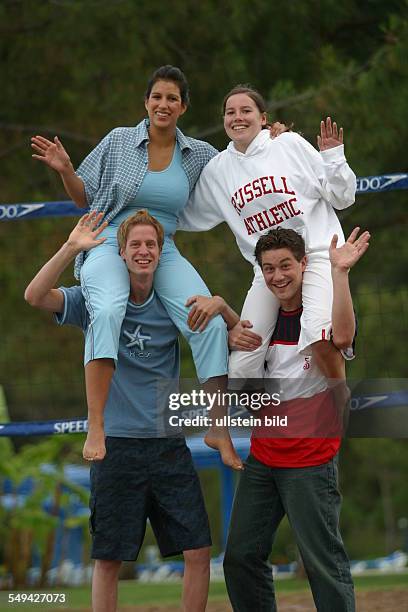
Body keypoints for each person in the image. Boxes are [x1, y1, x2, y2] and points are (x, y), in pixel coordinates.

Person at [31, 66, 267, 469]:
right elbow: (82, 198)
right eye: (157, 96)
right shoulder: (119, 140)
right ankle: (97, 423)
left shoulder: (198, 154)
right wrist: (66, 170)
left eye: (172, 98)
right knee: (106, 310)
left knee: (207, 320)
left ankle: (218, 429)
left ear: (183, 107)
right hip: (108, 238)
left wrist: (270, 134)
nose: (163, 104)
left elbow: (242, 155)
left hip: (162, 244)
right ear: (146, 102)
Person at [24, 210, 240, 612]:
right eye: (136, 245)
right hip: (116, 446)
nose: (144, 251)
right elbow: (34, 296)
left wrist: (223, 308)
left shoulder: (177, 304)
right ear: (120, 253)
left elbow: (233, 338)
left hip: (168, 445)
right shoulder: (96, 301)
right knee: (109, 558)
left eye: (151, 244)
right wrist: (70, 247)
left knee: (198, 550)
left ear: (161, 253)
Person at [221, 226, 370, 612]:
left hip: (309, 459)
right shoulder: (263, 320)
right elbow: (245, 372)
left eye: (285, 265)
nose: (278, 276)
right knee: (239, 557)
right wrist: (223, 313)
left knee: (323, 565)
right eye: (268, 269)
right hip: (264, 458)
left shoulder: (319, 314)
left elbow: (341, 337)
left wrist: (340, 274)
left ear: (304, 264)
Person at [178, 85, 357, 390]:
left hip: (314, 257)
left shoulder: (287, 144)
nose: (238, 117)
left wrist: (334, 159)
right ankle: (272, 426)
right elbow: (184, 215)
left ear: (263, 118)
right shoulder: (218, 170)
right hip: (267, 272)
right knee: (242, 368)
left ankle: (340, 409)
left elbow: (342, 197)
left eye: (246, 110)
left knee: (318, 336)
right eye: (230, 112)